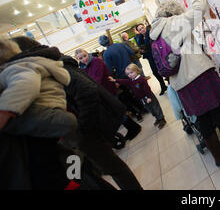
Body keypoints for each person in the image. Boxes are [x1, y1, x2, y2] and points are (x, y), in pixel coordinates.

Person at [10, 37, 143, 190]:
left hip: (80, 133)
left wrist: (81, 128)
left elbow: (87, 92)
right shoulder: (47, 66)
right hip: (72, 135)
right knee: (86, 175)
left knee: (106, 169)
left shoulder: (53, 66)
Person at [149, 0, 220, 167]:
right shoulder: (173, 23)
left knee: (202, 118)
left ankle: (217, 155)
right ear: (173, 12)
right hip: (199, 76)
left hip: (180, 84)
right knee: (219, 112)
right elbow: (198, 9)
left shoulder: (154, 34)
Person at [0, 37, 80, 189]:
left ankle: (74, 180)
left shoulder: (17, 71)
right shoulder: (37, 66)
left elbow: (87, 92)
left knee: (71, 157)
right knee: (71, 158)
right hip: (61, 138)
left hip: (63, 128)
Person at [75, 48, 142, 140]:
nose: (84, 59)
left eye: (84, 56)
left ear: (88, 53)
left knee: (117, 110)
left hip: (108, 90)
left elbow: (96, 79)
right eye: (80, 58)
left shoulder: (96, 61)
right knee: (115, 111)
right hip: (102, 92)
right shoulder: (84, 67)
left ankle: (134, 128)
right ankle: (132, 127)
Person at [109, 64, 166, 130]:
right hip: (142, 99)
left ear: (137, 71)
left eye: (131, 72)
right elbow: (124, 81)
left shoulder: (141, 79)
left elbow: (147, 89)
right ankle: (157, 118)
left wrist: (149, 97)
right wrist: (115, 80)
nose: (130, 75)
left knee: (155, 107)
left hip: (148, 96)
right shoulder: (131, 80)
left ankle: (162, 119)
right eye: (128, 74)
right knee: (150, 109)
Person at [135, 23, 168, 95]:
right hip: (150, 57)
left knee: (163, 68)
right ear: (138, 31)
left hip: (157, 55)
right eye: (140, 29)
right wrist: (142, 50)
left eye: (142, 27)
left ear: (144, 27)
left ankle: (170, 82)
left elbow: (147, 45)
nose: (142, 30)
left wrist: (145, 48)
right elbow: (141, 47)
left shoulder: (150, 33)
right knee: (155, 72)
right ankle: (163, 86)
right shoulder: (140, 38)